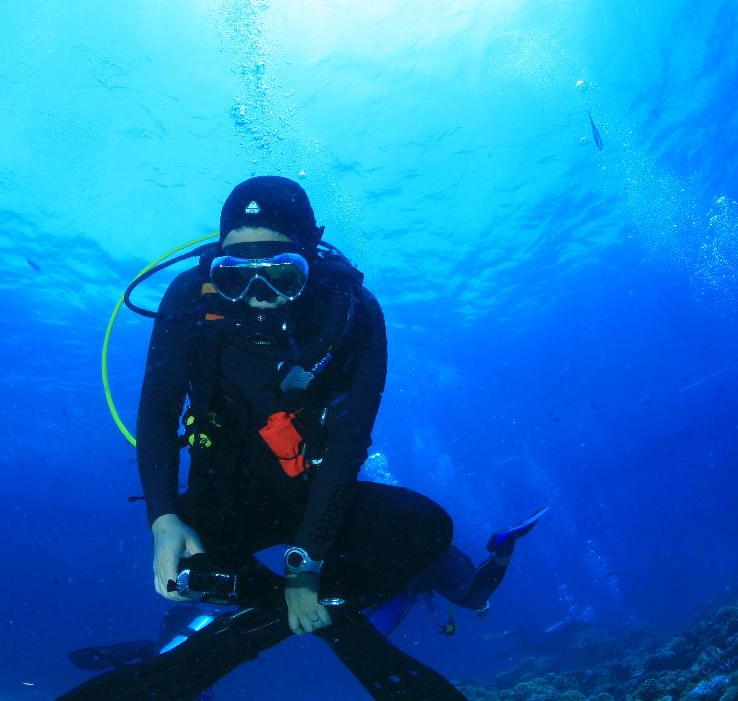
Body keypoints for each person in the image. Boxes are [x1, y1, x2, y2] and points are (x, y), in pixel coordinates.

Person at [60, 176, 463, 700]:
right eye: (234, 276)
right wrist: (163, 517)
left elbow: (347, 446)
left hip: (317, 498)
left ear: (310, 258)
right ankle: (318, 616)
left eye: (280, 275)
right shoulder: (190, 296)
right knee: (187, 567)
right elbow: (157, 416)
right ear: (216, 267)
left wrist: (305, 564)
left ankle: (249, 630)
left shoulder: (353, 312)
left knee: (428, 530)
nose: (258, 297)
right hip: (222, 502)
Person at [367, 506, 546, 637]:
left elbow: (409, 599)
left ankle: (504, 547)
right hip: (448, 552)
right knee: (474, 593)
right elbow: (448, 594)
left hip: (430, 563)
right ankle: (504, 546)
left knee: (474, 598)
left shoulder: (407, 580)